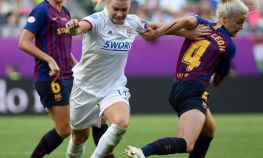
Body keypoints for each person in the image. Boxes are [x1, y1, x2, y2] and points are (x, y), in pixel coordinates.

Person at [64, 0, 210, 158]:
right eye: (116, 9)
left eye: (124, 10)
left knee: (121, 122)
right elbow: (78, 27)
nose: (120, 14)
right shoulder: (96, 20)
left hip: (113, 86)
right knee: (79, 137)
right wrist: (73, 26)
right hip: (85, 87)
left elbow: (155, 30)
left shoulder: (133, 21)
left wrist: (187, 34)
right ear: (107, 5)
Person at [125, 0, 249, 158]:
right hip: (193, 90)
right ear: (224, 19)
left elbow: (187, 20)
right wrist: (212, 78)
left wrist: (159, 32)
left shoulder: (202, 24)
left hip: (178, 86)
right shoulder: (229, 45)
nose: (241, 27)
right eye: (239, 22)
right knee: (188, 143)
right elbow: (218, 80)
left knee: (209, 130)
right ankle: (143, 152)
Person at [18, 0, 113, 157]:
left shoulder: (65, 12)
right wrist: (49, 60)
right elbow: (23, 42)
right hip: (51, 77)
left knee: (97, 119)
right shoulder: (42, 10)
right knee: (64, 130)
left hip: (70, 75)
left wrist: (78, 67)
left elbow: (63, 48)